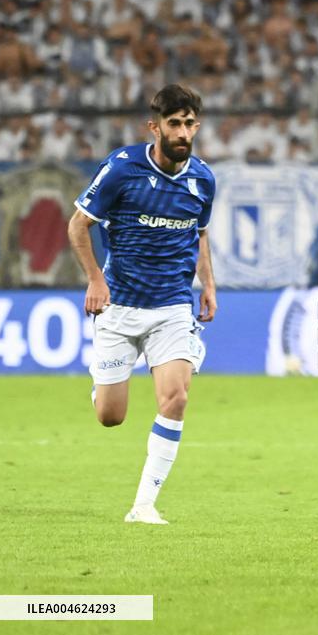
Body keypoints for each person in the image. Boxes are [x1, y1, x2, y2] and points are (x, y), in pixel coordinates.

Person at [67, 84, 217, 525]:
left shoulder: (203, 179)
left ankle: (143, 505)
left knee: (175, 398)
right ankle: (102, 384)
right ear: (155, 127)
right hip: (120, 305)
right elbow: (78, 226)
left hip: (172, 306)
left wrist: (209, 285)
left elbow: (200, 233)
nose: (183, 132)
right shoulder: (121, 169)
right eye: (174, 123)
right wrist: (95, 279)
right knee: (110, 417)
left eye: (189, 124)